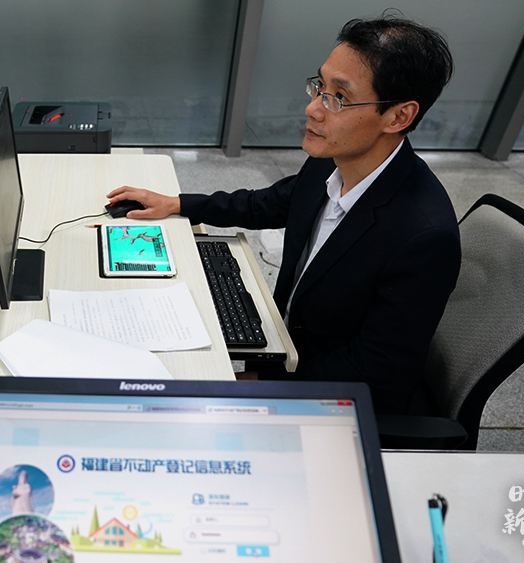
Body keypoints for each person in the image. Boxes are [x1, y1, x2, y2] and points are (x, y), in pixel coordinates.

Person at [106, 15, 461, 415]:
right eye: (319, 87)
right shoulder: (333, 159)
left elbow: (377, 370)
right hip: (283, 350)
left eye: (338, 98)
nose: (313, 109)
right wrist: (178, 204)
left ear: (398, 117)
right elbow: (269, 203)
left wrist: (265, 385)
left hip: (332, 401)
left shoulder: (424, 236)